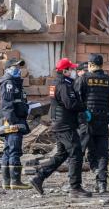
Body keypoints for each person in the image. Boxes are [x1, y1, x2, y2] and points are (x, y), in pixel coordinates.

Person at [30, 58, 92, 198]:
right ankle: (75, 187)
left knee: (62, 154)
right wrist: (84, 108)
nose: (73, 71)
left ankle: (39, 177)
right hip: (65, 125)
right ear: (64, 71)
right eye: (70, 69)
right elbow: (70, 104)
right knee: (76, 153)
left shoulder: (57, 83)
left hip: (60, 124)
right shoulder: (64, 85)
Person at [74, 54, 109, 193]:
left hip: (86, 121)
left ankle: (76, 184)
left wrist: (77, 119)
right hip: (103, 121)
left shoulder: (83, 79)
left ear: (90, 64)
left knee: (79, 152)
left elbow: (76, 100)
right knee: (102, 152)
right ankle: (102, 184)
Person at [0, 58, 31, 190]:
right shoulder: (8, 82)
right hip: (14, 120)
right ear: (8, 68)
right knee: (14, 151)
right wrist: (13, 122)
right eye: (15, 67)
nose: (18, 69)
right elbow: (7, 104)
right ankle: (15, 182)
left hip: (16, 118)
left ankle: (7, 182)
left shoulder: (15, 82)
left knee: (8, 151)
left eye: (19, 67)